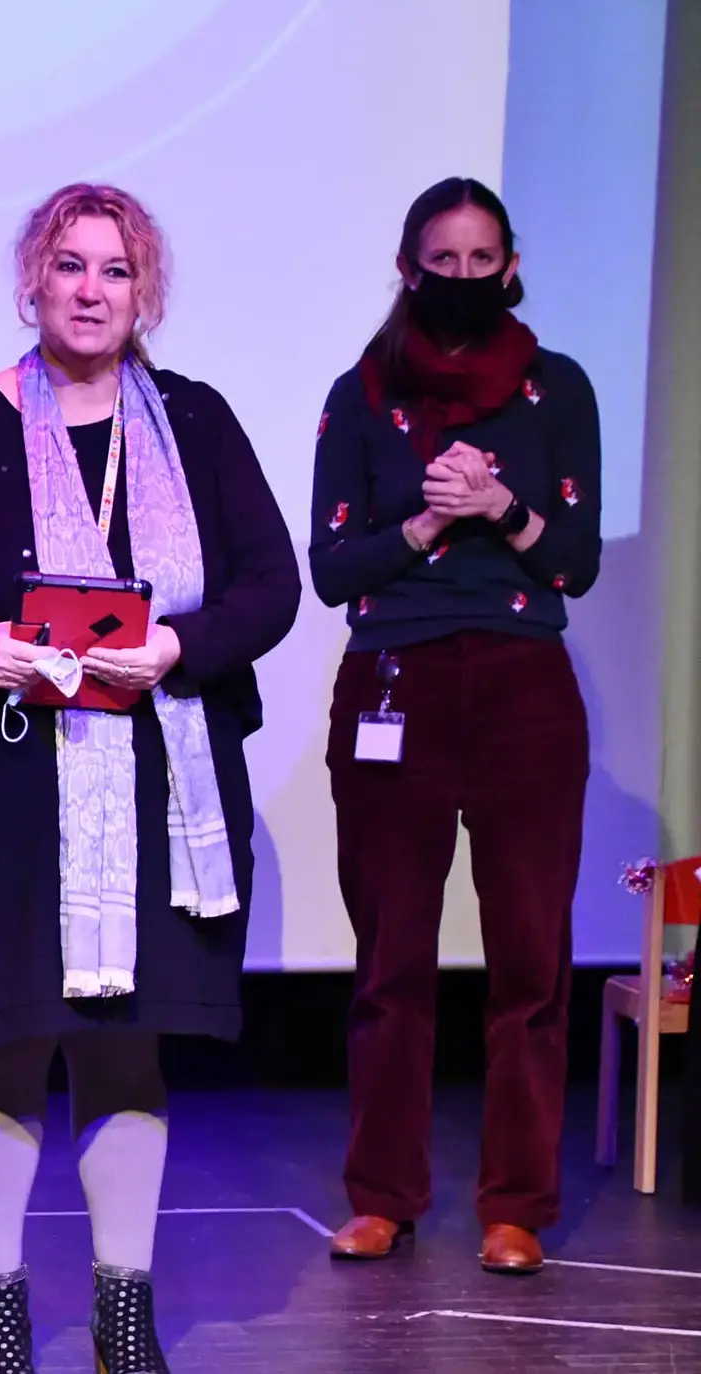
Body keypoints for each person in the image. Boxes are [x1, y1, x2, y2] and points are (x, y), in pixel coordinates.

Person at [0, 184, 299, 1374]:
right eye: (69, 266)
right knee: (0, 1041)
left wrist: (176, 648)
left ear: (143, 292)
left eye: (115, 270)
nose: (91, 291)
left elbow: (270, 586)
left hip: (156, 779)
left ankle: (122, 1309)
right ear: (32, 283)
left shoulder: (196, 422)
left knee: (124, 1047)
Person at [311, 178, 601, 1276]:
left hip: (525, 686)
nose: (465, 279)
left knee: (530, 959)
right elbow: (332, 568)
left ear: (512, 267)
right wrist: (428, 520)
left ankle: (514, 1205)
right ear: (409, 269)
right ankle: (381, 1197)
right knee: (392, 960)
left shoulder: (557, 388)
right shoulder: (362, 394)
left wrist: (503, 509)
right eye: (446, 261)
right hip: (396, 679)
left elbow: (575, 560)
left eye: (484, 261)